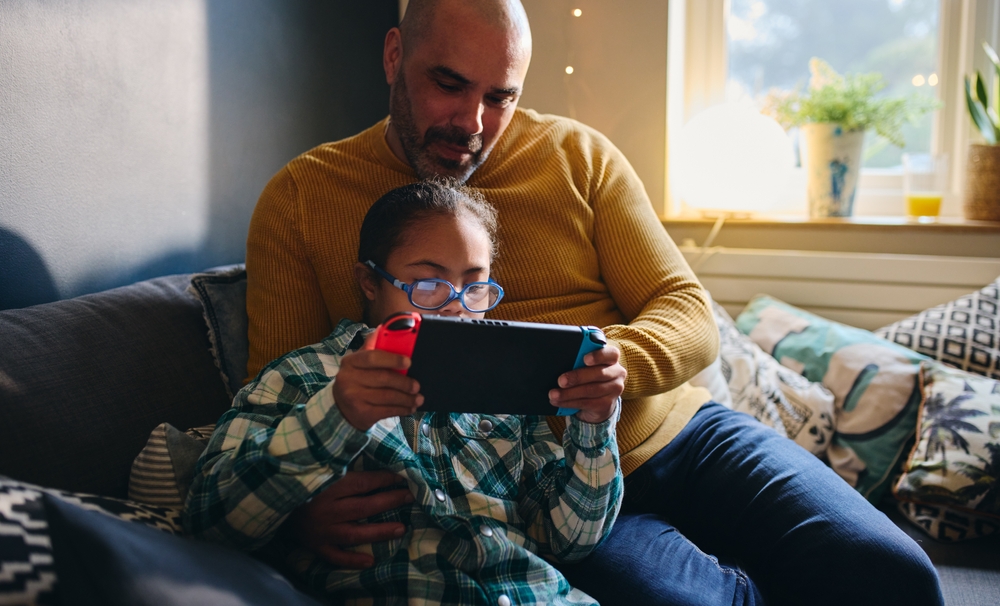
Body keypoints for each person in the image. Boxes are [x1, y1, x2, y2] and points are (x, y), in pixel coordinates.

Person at [243, 0, 943, 603]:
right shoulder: (304, 198)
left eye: (500, 96)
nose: (473, 123)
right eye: (448, 84)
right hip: (539, 493)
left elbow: (686, 309)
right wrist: (295, 508)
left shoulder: (578, 156)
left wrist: (604, 370)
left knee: (893, 577)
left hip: (680, 433)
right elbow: (269, 395)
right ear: (395, 54)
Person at [186, 180, 625, 605]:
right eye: (428, 285)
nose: (456, 306)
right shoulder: (302, 377)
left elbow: (570, 541)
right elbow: (211, 521)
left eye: (475, 287)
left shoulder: (508, 386)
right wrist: (336, 414)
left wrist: (593, 425)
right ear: (369, 282)